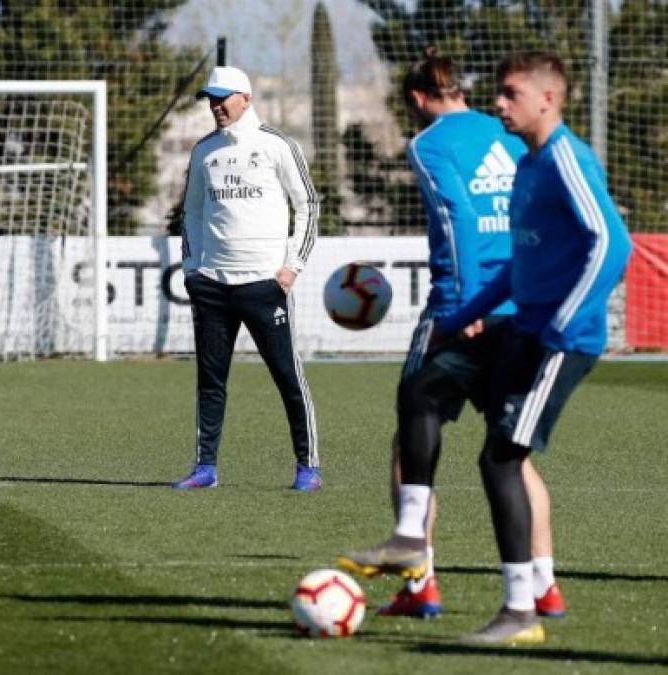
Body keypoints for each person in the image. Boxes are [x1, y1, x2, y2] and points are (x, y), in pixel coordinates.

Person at [345, 51, 632, 645]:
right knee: (459, 420)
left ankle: (484, 596)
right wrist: (468, 316)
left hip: (550, 335)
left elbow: (610, 244)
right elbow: (520, 261)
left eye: (509, 94)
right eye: (495, 93)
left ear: (546, 98)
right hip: (511, 322)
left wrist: (557, 322)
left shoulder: (558, 158)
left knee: (496, 453)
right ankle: (502, 576)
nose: (498, 104)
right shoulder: (524, 162)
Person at [172, 65, 321, 491]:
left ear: (246, 98)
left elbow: (307, 204)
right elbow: (193, 212)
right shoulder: (204, 151)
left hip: (264, 285)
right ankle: (205, 467)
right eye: (211, 98)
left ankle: (308, 466)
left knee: (287, 377)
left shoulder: (277, 146)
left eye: (224, 97)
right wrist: (191, 268)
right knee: (210, 380)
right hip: (213, 286)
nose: (216, 105)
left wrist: (293, 265)